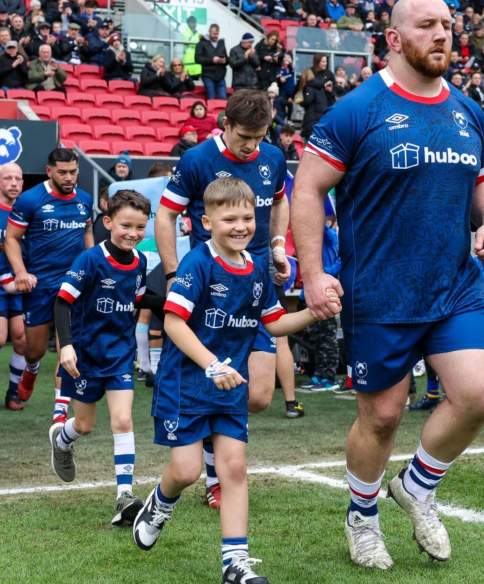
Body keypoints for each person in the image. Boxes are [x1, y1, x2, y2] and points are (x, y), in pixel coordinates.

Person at [291, 0, 484, 571]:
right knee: (382, 416)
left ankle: (418, 486)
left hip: (455, 285)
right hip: (380, 292)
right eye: (427, 25)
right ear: (393, 39)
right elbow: (306, 191)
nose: (443, 35)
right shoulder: (356, 111)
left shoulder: (469, 111)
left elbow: (476, 191)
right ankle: (362, 516)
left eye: (448, 25)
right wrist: (313, 272)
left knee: (476, 393)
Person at [133, 177, 341, 582]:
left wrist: (316, 311)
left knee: (234, 469)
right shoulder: (198, 262)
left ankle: (235, 563)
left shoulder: (257, 270)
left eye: (247, 217)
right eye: (230, 218)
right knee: (187, 470)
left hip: (231, 387)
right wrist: (211, 364)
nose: (241, 226)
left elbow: (275, 323)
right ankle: (160, 502)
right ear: (207, 222)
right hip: (185, 385)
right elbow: (174, 322)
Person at [155, 89, 291, 510]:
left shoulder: (273, 158)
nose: (250, 145)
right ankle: (216, 476)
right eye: (243, 136)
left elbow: (281, 201)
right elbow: (165, 214)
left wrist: (281, 244)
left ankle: (215, 461)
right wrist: (176, 271)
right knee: (220, 381)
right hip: (210, 291)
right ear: (225, 125)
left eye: (259, 135)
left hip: (256, 281)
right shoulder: (197, 161)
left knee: (259, 395)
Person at [49, 190, 163, 526]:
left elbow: (140, 298)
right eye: (126, 225)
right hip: (84, 356)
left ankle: (124, 496)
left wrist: (179, 303)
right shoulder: (90, 260)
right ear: (109, 222)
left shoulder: (141, 262)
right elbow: (62, 302)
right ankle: (62, 439)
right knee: (84, 425)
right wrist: (66, 346)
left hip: (119, 355)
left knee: (123, 421)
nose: (133, 233)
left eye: (140, 227)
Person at [5, 148, 93, 424]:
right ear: (49, 171)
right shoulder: (30, 200)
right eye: (63, 172)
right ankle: (31, 369)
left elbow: (87, 230)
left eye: (74, 172)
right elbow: (11, 239)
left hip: (74, 284)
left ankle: (59, 412)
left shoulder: (85, 199)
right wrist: (20, 272)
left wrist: (92, 265)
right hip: (41, 285)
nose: (69, 178)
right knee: (35, 349)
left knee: (68, 347)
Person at [0, 163, 26, 411]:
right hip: (1, 283)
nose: (14, 183)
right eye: (8, 178)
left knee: (21, 340)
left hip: (19, 285)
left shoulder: (26, 211)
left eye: (18, 178)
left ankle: (13, 394)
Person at [194, 23, 228, 100]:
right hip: (208, 75)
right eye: (214, 33)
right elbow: (197, 59)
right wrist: (212, 60)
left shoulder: (221, 43)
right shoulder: (201, 43)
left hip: (221, 76)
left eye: (217, 33)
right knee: (211, 98)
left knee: (223, 99)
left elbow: (226, 57)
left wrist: (225, 61)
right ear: (209, 32)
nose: (216, 35)